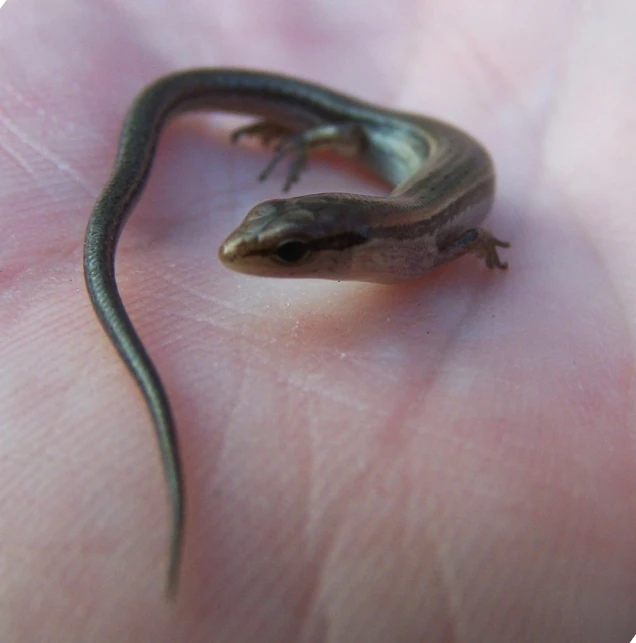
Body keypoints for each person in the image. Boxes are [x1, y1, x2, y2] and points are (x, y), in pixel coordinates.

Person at [1, 0, 635, 640]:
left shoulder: (415, 242)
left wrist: (488, 251)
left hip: (408, 150)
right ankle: (304, 130)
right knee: (342, 130)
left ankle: (310, 131)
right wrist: (309, 139)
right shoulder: (401, 237)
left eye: (291, 253)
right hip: (384, 138)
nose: (240, 255)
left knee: (349, 133)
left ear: (352, 247)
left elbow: (469, 235)